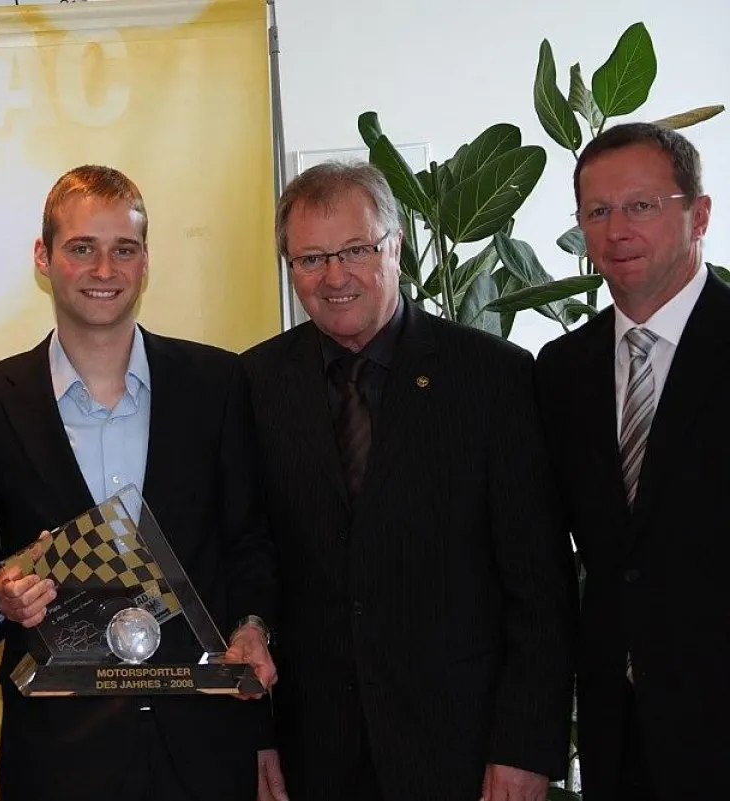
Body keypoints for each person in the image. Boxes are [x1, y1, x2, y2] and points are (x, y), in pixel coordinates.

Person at [241, 161, 578, 801]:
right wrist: (254, 734)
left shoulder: (492, 379)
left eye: (356, 250)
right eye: (311, 258)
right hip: (311, 755)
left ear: (395, 245)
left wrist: (524, 749)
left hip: (463, 752)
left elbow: (539, 585)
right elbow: (248, 566)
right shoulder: (256, 385)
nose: (335, 277)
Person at [0, 165, 279, 801]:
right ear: (43, 258)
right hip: (58, 752)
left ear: (145, 260)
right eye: (82, 248)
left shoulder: (217, 385)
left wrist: (253, 623)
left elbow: (251, 539)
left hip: (205, 745)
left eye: (123, 249)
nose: (105, 270)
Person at [536, 122, 726, 801]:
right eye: (597, 210)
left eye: (642, 205)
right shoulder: (562, 371)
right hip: (619, 736)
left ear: (698, 214)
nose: (617, 229)